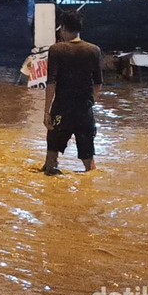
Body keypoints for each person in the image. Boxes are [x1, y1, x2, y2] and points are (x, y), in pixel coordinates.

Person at [42, 10, 103, 175]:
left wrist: (47, 112)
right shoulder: (94, 50)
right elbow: (98, 85)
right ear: (79, 29)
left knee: (51, 162)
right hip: (84, 110)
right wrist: (90, 104)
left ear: (62, 29)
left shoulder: (56, 50)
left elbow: (51, 83)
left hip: (61, 109)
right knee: (89, 164)